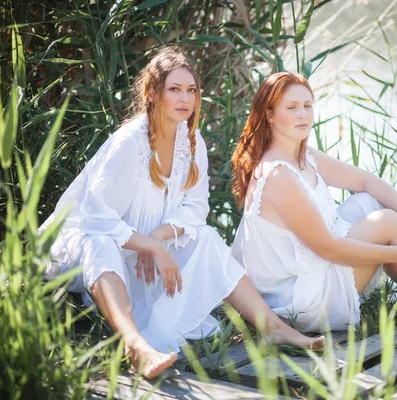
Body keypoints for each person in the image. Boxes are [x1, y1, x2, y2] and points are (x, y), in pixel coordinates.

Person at [39, 49, 324, 380]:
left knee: (206, 237)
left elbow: (196, 208)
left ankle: (272, 326)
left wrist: (156, 238)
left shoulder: (191, 140)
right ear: (153, 93)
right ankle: (136, 349)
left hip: (141, 242)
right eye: (174, 89)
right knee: (101, 244)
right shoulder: (129, 143)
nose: (185, 98)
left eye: (191, 90)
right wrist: (149, 246)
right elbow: (95, 219)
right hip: (84, 249)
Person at [230, 72, 397, 333]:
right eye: (292, 107)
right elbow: (329, 249)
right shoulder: (279, 175)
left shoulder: (304, 157)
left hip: (305, 272)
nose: (303, 114)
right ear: (270, 114)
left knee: (370, 203)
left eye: (307, 105)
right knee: (389, 224)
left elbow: (366, 181)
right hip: (299, 302)